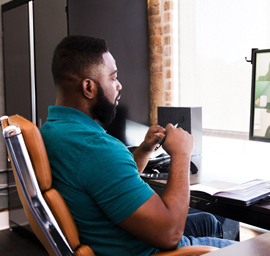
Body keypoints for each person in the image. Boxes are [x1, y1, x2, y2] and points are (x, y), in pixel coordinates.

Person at [39, 35, 236, 256]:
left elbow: (105, 183)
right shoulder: (96, 148)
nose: (119, 85)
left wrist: (144, 149)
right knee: (263, 249)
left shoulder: (52, 132)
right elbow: (170, 233)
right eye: (113, 78)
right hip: (153, 248)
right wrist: (181, 153)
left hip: (118, 234)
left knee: (209, 221)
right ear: (88, 87)